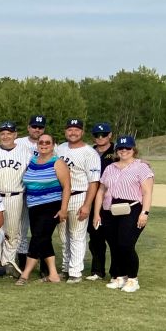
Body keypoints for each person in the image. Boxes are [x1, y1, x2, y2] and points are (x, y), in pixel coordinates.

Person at [93, 135, 154, 293]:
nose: (124, 150)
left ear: (134, 149)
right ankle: (120, 276)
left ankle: (133, 279)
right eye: (120, 148)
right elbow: (101, 191)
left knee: (126, 244)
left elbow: (147, 192)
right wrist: (97, 213)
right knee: (114, 245)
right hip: (109, 210)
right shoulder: (110, 168)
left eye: (127, 148)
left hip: (131, 208)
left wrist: (144, 212)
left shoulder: (141, 167)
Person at [17, 134, 71, 285]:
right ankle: (53, 274)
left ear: (53, 145)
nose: (44, 145)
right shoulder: (33, 161)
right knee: (44, 239)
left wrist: (63, 209)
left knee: (37, 237)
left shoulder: (58, 162)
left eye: (48, 142)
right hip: (33, 206)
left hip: (51, 205)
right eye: (41, 142)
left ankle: (25, 274)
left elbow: (67, 186)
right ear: (37, 145)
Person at [56, 118, 101, 282]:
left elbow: (94, 182)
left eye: (76, 129)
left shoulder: (90, 153)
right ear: (65, 131)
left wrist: (87, 205)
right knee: (63, 237)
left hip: (79, 195)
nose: (73, 132)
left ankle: (75, 272)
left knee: (77, 236)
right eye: (70, 129)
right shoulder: (59, 148)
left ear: (82, 132)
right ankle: (66, 268)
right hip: (61, 197)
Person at [0, 121, 32, 274]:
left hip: (15, 195)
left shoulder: (25, 152)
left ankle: (8, 262)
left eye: (9, 133)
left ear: (15, 135)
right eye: (3, 133)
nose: (6, 136)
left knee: (12, 233)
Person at [86, 122, 118, 281]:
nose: (100, 137)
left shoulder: (118, 151)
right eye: (97, 135)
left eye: (104, 134)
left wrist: (143, 162)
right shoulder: (89, 151)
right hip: (92, 199)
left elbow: (132, 162)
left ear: (110, 135)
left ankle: (117, 272)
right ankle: (97, 271)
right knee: (95, 237)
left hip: (112, 199)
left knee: (114, 238)